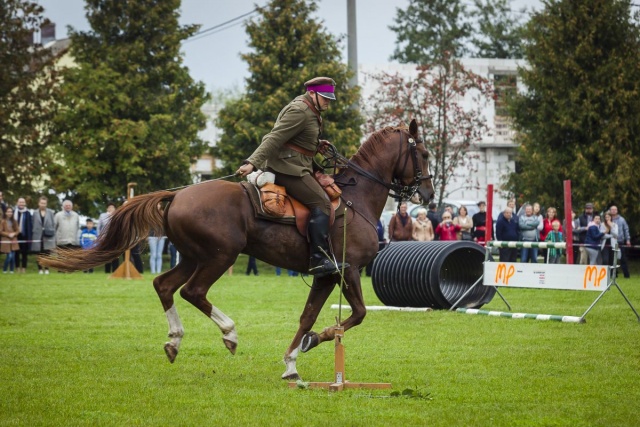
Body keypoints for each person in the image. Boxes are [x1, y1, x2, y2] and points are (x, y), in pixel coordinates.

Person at [235, 77, 348, 278]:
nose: (328, 102)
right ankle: (318, 260)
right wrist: (252, 162)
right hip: (288, 169)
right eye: (325, 98)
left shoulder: (310, 110)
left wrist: (316, 145)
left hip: (298, 165)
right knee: (322, 204)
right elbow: (275, 137)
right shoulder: (300, 110)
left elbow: (296, 138)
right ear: (312, 93)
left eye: (330, 98)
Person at [31, 196, 56, 274]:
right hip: (37, 235)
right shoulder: (35, 213)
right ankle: (40, 269)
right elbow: (32, 223)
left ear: (46, 204)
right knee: (39, 253)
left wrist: (52, 232)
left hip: (47, 235)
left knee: (47, 253)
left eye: (44, 203)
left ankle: (47, 269)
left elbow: (53, 224)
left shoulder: (50, 212)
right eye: (41, 203)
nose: (43, 205)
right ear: (39, 203)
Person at [98, 203, 120, 273]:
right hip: (105, 238)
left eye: (112, 207)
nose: (111, 209)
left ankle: (115, 271)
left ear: (115, 209)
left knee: (115, 255)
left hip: (115, 238)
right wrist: (99, 237)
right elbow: (99, 227)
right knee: (107, 254)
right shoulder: (102, 216)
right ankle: (107, 271)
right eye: (109, 207)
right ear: (107, 209)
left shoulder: (117, 216)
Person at [610, 205, 631, 278]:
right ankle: (614, 274)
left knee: (622, 259)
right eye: (612, 210)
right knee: (612, 259)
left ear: (617, 211)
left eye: (615, 209)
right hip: (611, 242)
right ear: (610, 211)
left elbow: (626, 229)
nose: (613, 211)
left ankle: (626, 275)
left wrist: (628, 240)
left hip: (620, 241)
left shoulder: (622, 219)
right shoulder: (608, 219)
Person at [13, 197, 33, 273]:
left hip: (25, 236)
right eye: (20, 202)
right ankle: (17, 267)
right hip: (16, 235)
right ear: (17, 203)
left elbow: (30, 226)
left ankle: (24, 268)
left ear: (25, 203)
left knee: (24, 253)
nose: (21, 203)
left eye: (23, 202)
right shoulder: (14, 212)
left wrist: (30, 238)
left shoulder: (28, 213)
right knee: (16, 252)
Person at [1, 207, 19, 273]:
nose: (10, 213)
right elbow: (1, 231)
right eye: (8, 212)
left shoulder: (14, 221)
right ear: (5, 213)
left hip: (13, 240)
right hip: (6, 240)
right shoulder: (3, 221)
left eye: (11, 212)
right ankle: (5, 270)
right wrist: (8, 234)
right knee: (9, 256)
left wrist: (14, 234)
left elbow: (17, 230)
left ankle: (11, 270)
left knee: (13, 257)